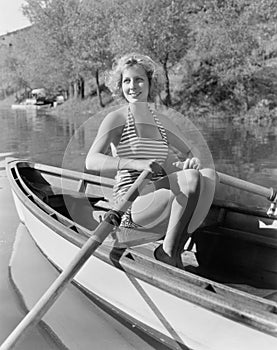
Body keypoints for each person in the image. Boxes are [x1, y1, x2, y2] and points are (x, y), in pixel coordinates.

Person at [86, 53, 216, 268]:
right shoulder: (116, 118)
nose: (133, 86)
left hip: (157, 196)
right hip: (129, 206)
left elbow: (193, 153)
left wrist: (190, 163)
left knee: (209, 176)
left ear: (149, 83)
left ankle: (172, 249)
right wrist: (135, 163)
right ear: (120, 86)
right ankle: (170, 253)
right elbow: (91, 161)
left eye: (139, 80)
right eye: (126, 81)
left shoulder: (162, 121)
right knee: (191, 180)